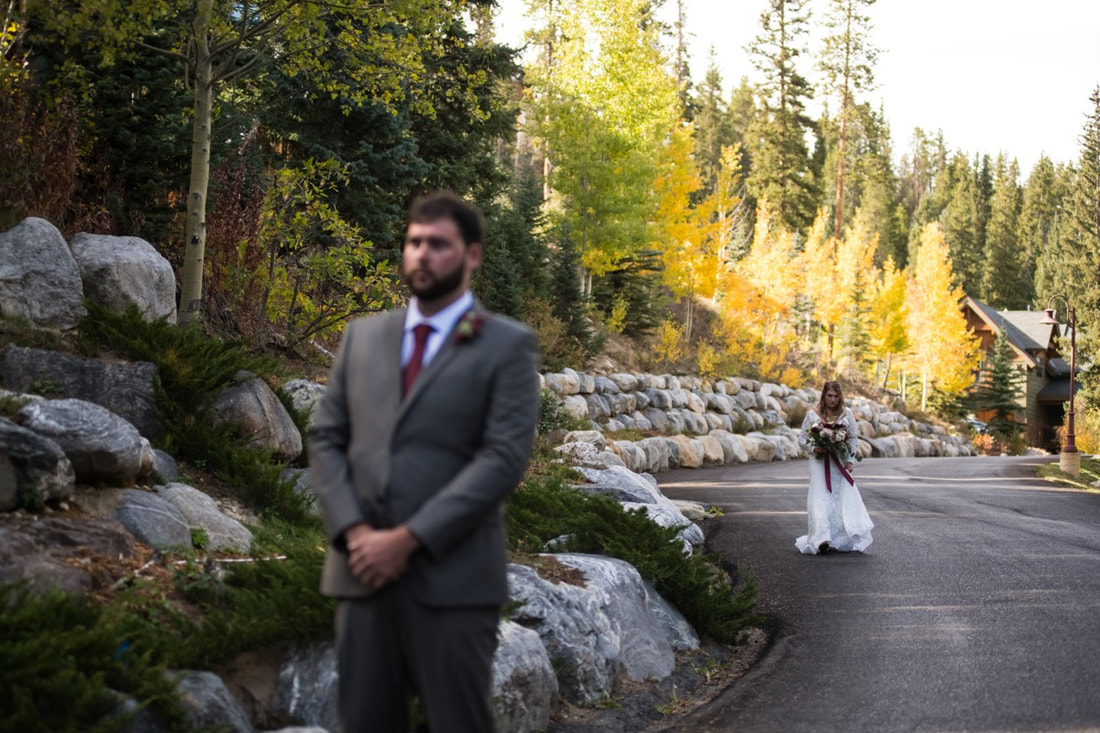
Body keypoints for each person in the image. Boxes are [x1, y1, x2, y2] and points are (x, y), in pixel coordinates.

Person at [308, 191, 540, 732]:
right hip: (360, 576)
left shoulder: (507, 346)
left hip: (454, 581)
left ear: (472, 256)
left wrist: (408, 539)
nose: (422, 254)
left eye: (438, 244)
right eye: (414, 242)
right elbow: (326, 439)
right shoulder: (363, 337)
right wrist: (355, 532)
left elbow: (503, 457)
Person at [795, 380, 874, 555]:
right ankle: (821, 538)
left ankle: (837, 538)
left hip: (838, 460)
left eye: (836, 396)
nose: (832, 399)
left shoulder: (847, 415)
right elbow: (802, 439)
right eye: (829, 396)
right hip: (818, 460)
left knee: (838, 498)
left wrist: (850, 460)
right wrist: (815, 447)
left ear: (840, 397)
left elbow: (853, 438)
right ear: (824, 396)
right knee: (819, 496)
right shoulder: (812, 415)